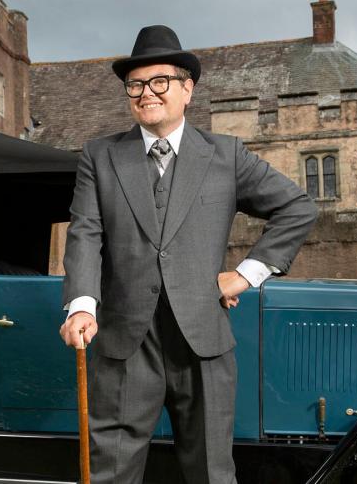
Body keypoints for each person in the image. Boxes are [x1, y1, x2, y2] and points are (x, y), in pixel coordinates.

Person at [59, 25, 318, 484]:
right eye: (135, 85)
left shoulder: (225, 155)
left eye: (159, 81)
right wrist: (82, 304)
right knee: (110, 474)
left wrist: (245, 275)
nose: (146, 93)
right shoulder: (99, 157)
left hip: (203, 344)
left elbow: (296, 207)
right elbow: (85, 233)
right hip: (122, 343)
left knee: (210, 475)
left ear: (187, 89)